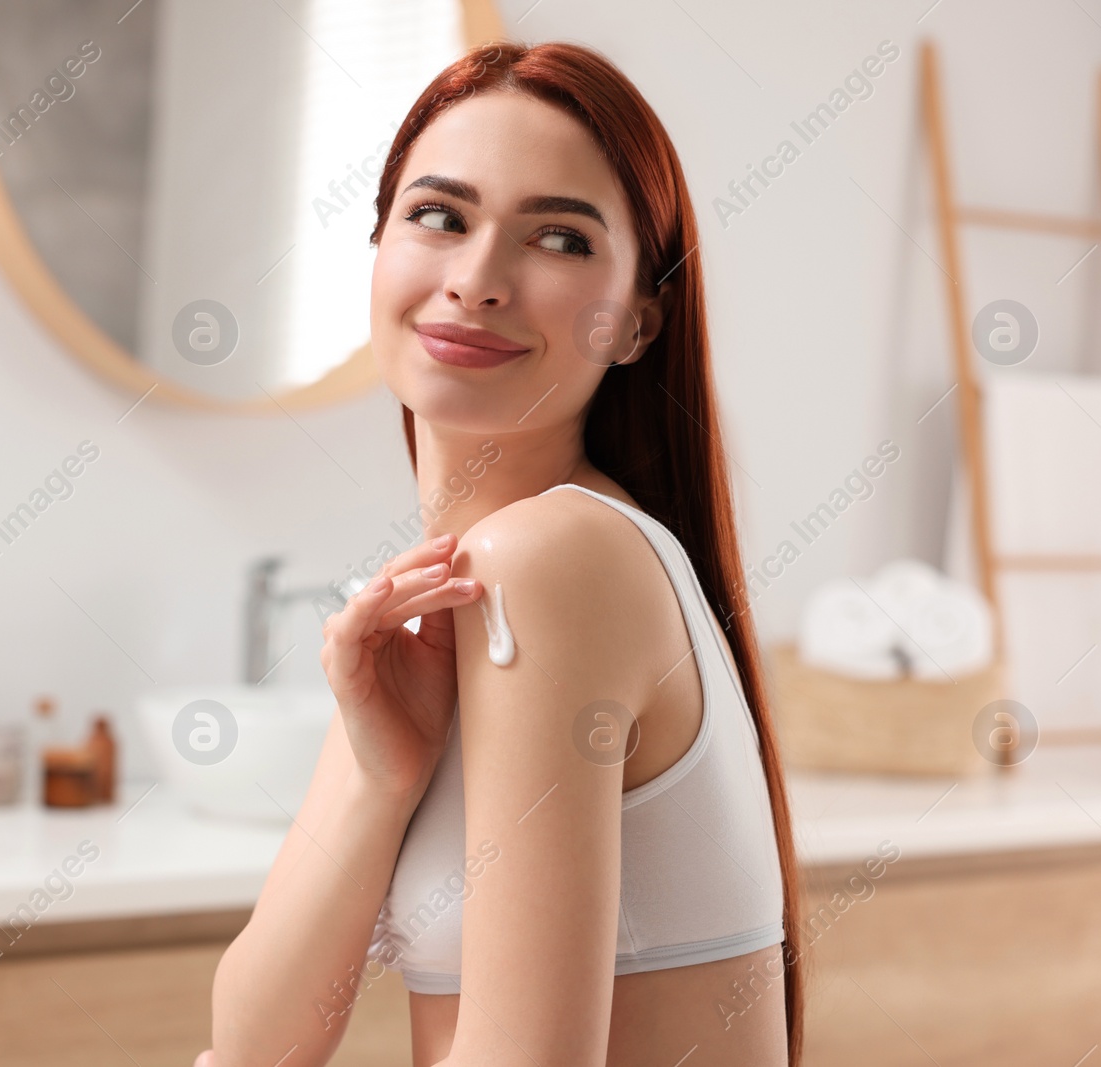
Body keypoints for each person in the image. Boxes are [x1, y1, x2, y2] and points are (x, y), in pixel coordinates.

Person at [200, 40, 802, 1067]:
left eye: (558, 239)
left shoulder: (552, 558)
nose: (477, 280)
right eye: (438, 216)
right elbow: (250, 1045)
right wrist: (378, 775)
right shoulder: (453, 584)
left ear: (639, 323)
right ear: (378, 246)